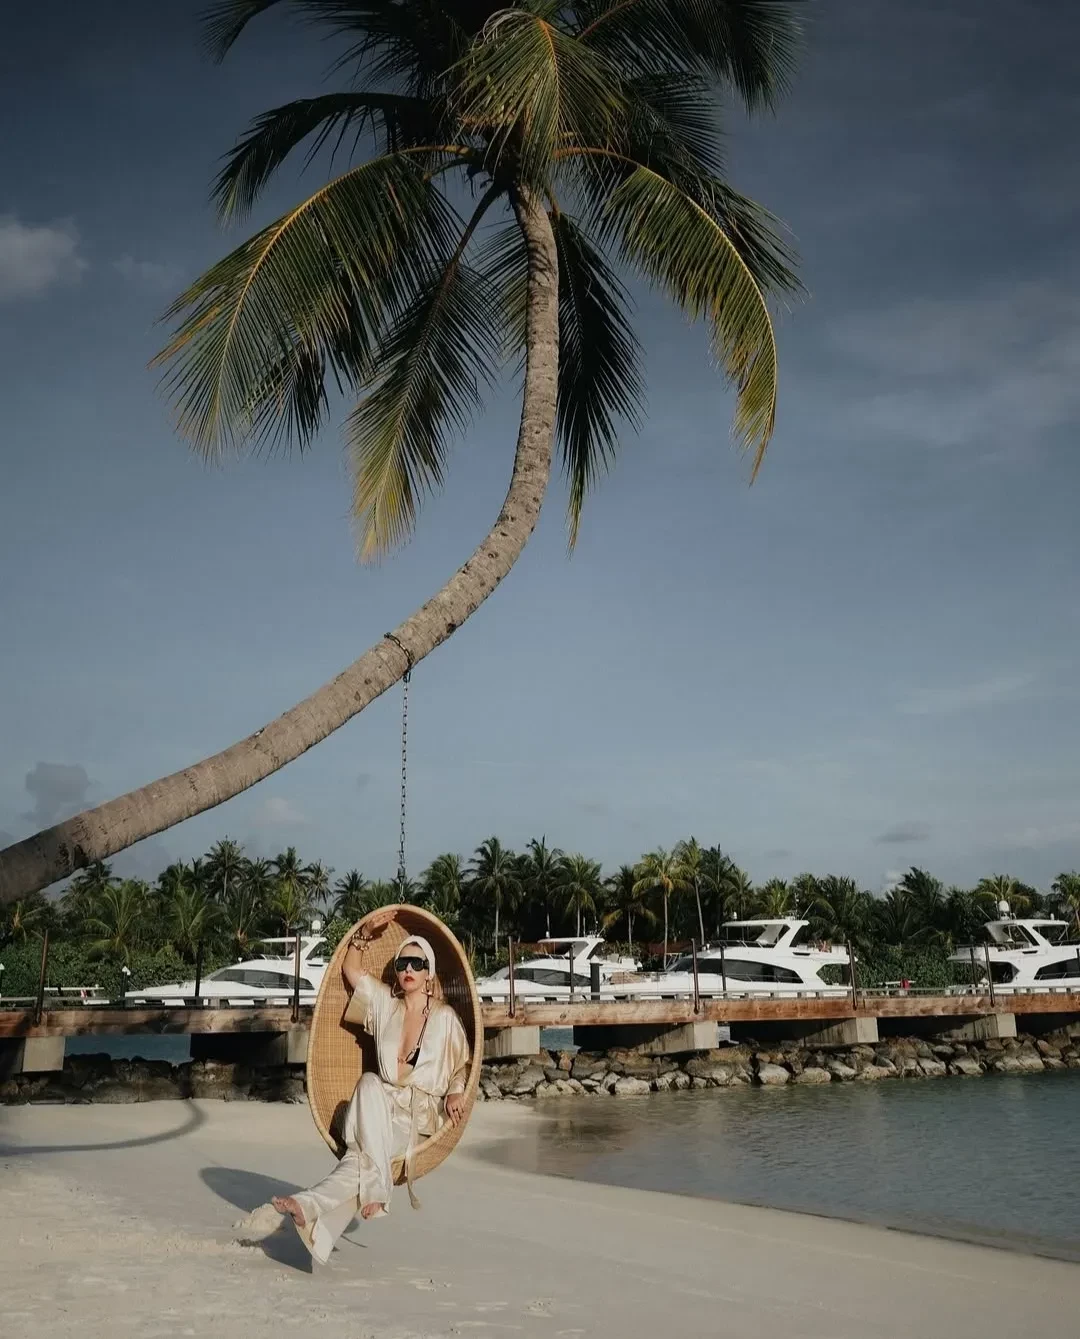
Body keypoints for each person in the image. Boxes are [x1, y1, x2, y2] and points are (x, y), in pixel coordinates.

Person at [269, 908, 471, 1264]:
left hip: (416, 1120)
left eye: (418, 964)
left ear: (429, 973)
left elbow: (461, 1065)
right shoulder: (385, 1006)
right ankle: (376, 1194)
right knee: (368, 1081)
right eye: (403, 963)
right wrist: (362, 935)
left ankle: (308, 1207)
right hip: (378, 1108)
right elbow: (351, 971)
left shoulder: (445, 1018)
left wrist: (456, 1090)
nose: (409, 969)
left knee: (360, 1158)